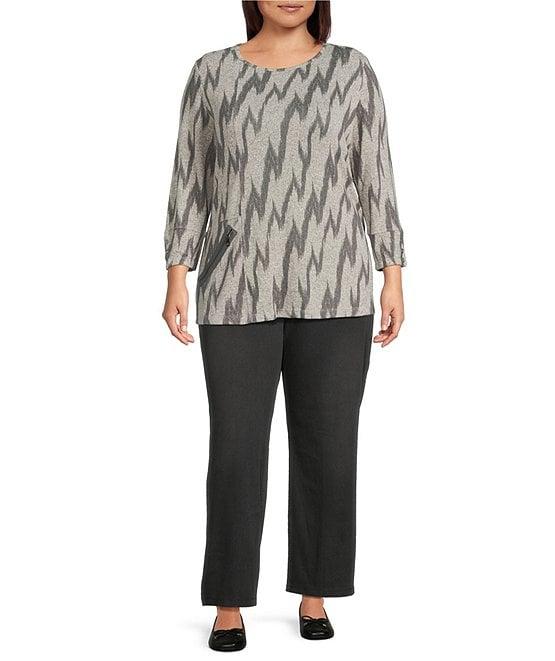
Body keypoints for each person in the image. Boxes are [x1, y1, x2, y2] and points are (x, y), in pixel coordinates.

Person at [162, 0, 406, 651]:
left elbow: (374, 173)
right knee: (235, 451)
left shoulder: (352, 71)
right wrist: (178, 272)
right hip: (235, 291)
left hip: (337, 292)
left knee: (328, 448)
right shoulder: (212, 73)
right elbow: (191, 177)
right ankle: (228, 601)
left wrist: (392, 271)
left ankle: (315, 593)